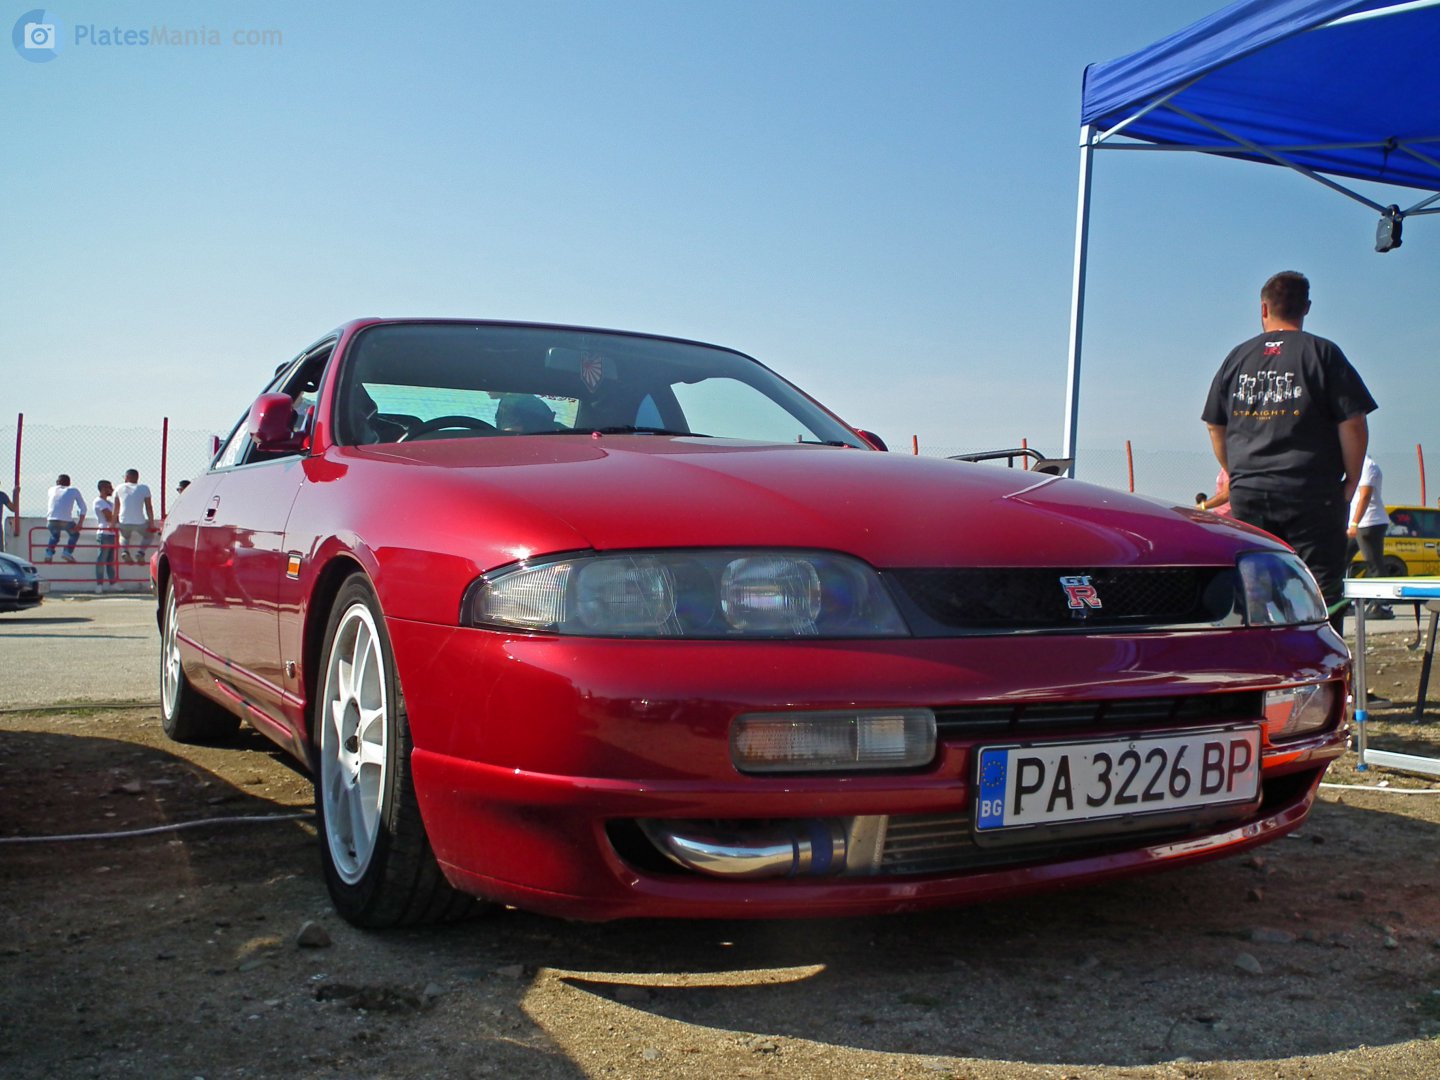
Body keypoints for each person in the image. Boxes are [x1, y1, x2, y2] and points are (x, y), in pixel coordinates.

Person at [1202, 271, 1377, 631]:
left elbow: (1214, 425)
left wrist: (1234, 471)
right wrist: (1352, 478)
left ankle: (1261, 673)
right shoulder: (1323, 353)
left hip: (1250, 493)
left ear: (1263, 308)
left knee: (1254, 590)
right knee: (1320, 591)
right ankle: (1319, 676)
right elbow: (1353, 422)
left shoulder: (1238, 357)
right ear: (1306, 308)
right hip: (1311, 491)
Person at [1346, 453, 1393, 618]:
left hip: (1369, 523)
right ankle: (1347, 602)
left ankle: (1383, 605)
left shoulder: (1367, 465)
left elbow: (1365, 495)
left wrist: (1354, 523)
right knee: (1339, 560)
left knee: (1374, 563)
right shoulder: (1353, 465)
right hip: (1357, 523)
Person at [113, 468, 155, 565]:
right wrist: (152, 524)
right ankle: (140, 553)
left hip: (124, 521)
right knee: (148, 536)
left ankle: (124, 551)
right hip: (140, 522)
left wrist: (112, 523)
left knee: (124, 536)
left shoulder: (119, 488)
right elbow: (149, 507)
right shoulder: (144, 488)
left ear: (127, 477)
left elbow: (116, 508)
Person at [44, 474, 87, 563]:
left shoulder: (51, 489)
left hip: (51, 519)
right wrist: (80, 523)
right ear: (69, 483)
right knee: (75, 534)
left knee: (54, 536)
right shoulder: (73, 490)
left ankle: (49, 553)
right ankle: (67, 552)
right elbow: (83, 507)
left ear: (57, 482)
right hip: (66, 520)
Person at [92, 479, 118, 591]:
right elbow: (109, 517)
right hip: (104, 533)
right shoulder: (99, 502)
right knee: (101, 559)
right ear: (103, 489)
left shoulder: (110, 503)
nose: (112, 490)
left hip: (111, 534)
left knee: (110, 561)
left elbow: (117, 516)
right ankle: (99, 585)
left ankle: (113, 583)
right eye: (109, 487)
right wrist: (115, 517)